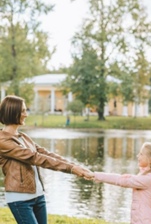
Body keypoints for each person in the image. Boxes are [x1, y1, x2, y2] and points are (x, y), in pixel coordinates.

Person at [0, 95, 92, 224]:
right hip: (19, 198)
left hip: (38, 196)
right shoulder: (2, 140)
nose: (26, 114)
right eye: (23, 111)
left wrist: (74, 166)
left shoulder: (23, 137)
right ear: (12, 112)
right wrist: (71, 169)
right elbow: (35, 158)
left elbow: (45, 153)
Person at [89, 140, 151, 224]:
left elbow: (121, 180)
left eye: (141, 154)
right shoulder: (148, 175)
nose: (138, 156)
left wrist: (94, 175)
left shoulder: (149, 179)